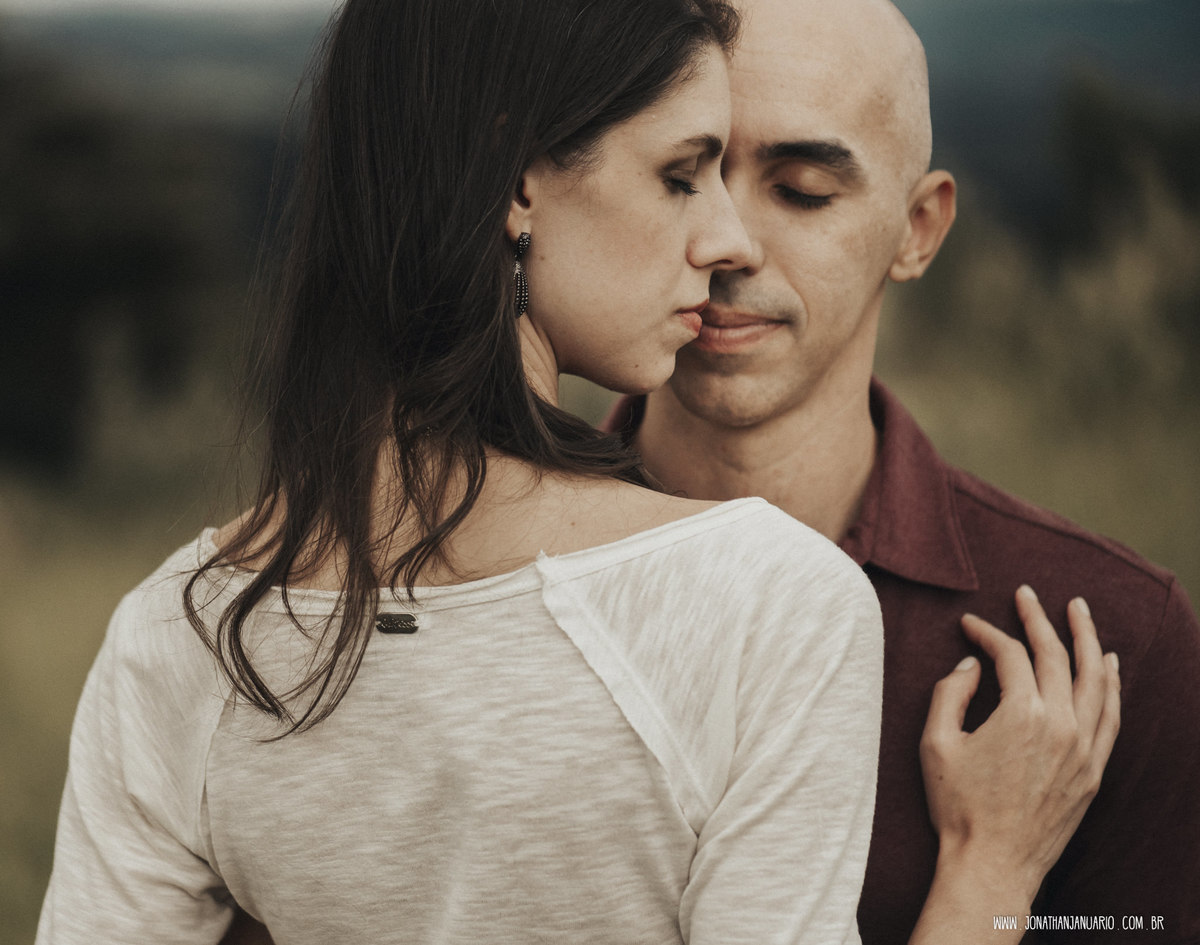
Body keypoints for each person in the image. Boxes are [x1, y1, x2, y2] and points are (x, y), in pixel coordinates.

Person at [37, 0, 888, 941]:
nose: (729, 240)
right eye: (682, 175)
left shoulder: (181, 630)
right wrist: (990, 888)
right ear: (515, 183)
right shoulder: (767, 601)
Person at [605, 0, 1200, 942]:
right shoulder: (466, 579)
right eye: (684, 176)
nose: (727, 242)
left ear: (918, 229)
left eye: (801, 190)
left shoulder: (1114, 642)